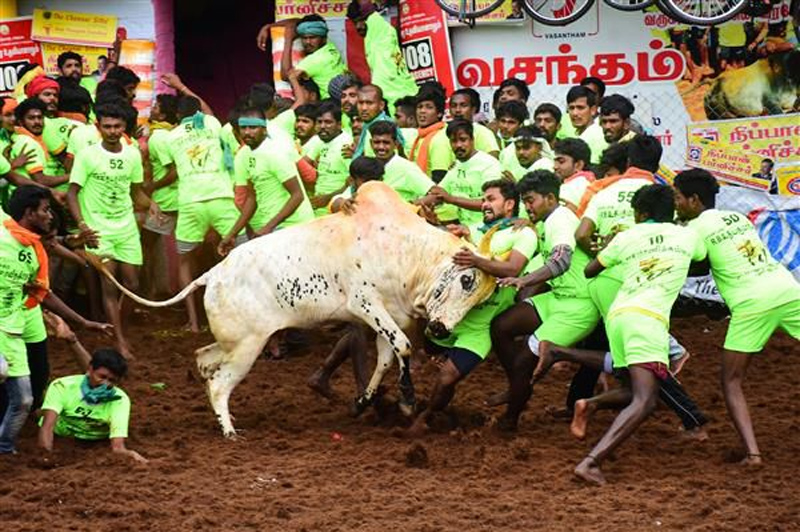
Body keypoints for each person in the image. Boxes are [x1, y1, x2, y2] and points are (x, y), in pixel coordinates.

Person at [572, 184, 707, 485]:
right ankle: (591, 463)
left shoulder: (626, 236)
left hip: (618, 317)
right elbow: (701, 260)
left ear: (641, 214)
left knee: (635, 390)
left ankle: (591, 404)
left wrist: (611, 248)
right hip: (647, 320)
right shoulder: (686, 236)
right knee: (645, 401)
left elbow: (590, 270)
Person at [674, 169, 800, 465]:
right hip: (787, 290)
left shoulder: (693, 230)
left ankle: (753, 454)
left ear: (694, 200)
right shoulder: (737, 218)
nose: (676, 203)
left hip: (751, 305)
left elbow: (697, 267)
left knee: (731, 380)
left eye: (678, 197)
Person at [408, 179, 537, 436]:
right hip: (451, 316)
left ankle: (426, 417)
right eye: (483, 199)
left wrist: (475, 260)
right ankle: (425, 366)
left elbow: (513, 269)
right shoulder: (475, 230)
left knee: (447, 377)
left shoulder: (523, 233)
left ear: (509, 204)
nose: (484, 204)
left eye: (491, 199)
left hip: (479, 328)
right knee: (411, 316)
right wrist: (441, 230)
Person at [492, 170, 599, 430]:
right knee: (501, 326)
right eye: (524, 202)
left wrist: (524, 280)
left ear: (550, 198)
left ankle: (510, 419)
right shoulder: (548, 218)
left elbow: (561, 261)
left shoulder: (559, 220)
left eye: (531, 201)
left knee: (523, 362)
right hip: (559, 297)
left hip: (578, 306)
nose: (527, 207)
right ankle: (518, 386)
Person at [67, 103, 156, 358]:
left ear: (124, 127)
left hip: (126, 227)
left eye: (117, 126)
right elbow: (72, 193)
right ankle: (119, 340)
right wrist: (83, 226)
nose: (113, 131)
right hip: (98, 230)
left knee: (132, 285)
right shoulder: (87, 155)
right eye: (107, 126)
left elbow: (136, 192)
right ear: (98, 127)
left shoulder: (132, 155)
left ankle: (119, 331)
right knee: (110, 285)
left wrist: (152, 206)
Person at [218, 107, 313, 255]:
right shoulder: (242, 156)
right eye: (243, 128)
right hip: (270, 227)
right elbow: (251, 198)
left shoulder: (274, 153)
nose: (247, 132)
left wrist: (269, 227)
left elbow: (297, 195)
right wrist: (231, 235)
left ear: (264, 130)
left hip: (293, 225)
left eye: (253, 127)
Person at [0, 186, 53, 454]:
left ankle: (4, 448)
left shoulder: (35, 252)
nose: (50, 216)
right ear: (30, 213)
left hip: (13, 331)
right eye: (46, 210)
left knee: (24, 400)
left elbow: (38, 291)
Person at [38, 348, 146, 463]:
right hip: (61, 437)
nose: (105, 384)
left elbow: (117, 447)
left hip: (95, 442)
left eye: (112, 380)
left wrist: (130, 454)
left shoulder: (120, 400)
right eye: (102, 377)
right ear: (90, 369)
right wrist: (45, 455)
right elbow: (47, 426)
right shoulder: (62, 386)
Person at [420, 119, 503, 226]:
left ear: (472, 140)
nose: (458, 145)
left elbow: (492, 204)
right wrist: (412, 206)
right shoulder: (456, 166)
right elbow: (439, 195)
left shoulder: (489, 164)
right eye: (454, 141)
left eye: (463, 140)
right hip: (464, 228)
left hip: (489, 228)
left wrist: (452, 200)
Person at [347, 0, 419, 110]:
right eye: (354, 23)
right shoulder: (381, 32)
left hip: (393, 97)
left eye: (361, 21)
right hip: (403, 93)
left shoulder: (378, 29)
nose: (358, 27)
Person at [304, 101, 353, 215]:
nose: (322, 126)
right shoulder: (320, 141)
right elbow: (303, 163)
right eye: (319, 122)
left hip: (339, 209)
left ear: (339, 124)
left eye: (328, 122)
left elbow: (354, 181)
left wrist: (329, 198)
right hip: (318, 208)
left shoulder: (346, 146)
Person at [282, 15, 346, 100]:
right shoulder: (330, 47)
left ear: (323, 38)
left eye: (312, 37)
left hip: (330, 103)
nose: (308, 42)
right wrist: (267, 27)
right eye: (304, 38)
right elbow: (296, 21)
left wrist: (288, 40)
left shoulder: (316, 59)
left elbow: (285, 75)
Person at [367, 120, 433, 202]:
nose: (381, 147)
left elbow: (435, 194)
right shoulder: (368, 166)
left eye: (386, 143)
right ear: (371, 143)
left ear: (395, 144)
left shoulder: (406, 168)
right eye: (377, 142)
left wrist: (410, 206)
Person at [406, 84, 450, 182]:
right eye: (420, 107)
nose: (422, 111)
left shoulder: (440, 138)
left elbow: (440, 178)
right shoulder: (419, 135)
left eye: (429, 107)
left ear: (439, 113)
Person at [448, 89, 499, 157]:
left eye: (463, 105)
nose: (458, 110)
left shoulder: (483, 132)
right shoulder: (442, 132)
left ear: (473, 109)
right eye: (454, 106)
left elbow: (492, 159)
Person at [552, 138, 594, 212]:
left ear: (578, 165)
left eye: (561, 162)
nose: (555, 167)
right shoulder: (591, 183)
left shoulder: (572, 187)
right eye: (555, 162)